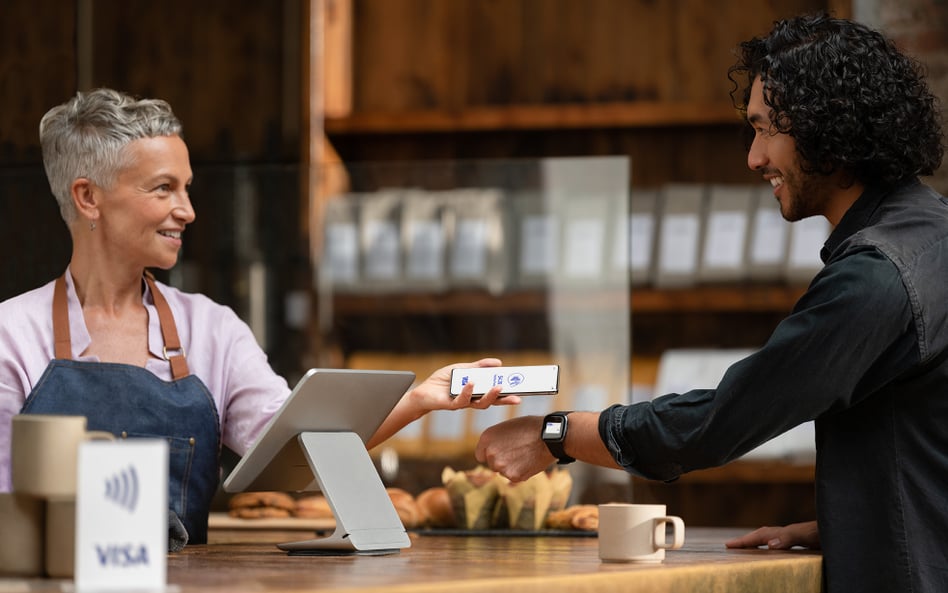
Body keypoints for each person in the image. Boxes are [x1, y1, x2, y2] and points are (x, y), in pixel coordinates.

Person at [475, 13, 947, 593]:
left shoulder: (876, 279)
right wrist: (853, 524)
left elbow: (724, 419)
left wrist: (557, 434)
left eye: (768, 129)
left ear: (831, 130)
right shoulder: (933, 240)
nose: (754, 158)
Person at [0, 88, 517, 547]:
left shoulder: (213, 329)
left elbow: (293, 448)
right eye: (163, 188)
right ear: (88, 197)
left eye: (186, 187)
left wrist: (421, 398)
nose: (188, 210)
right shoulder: (13, 334)